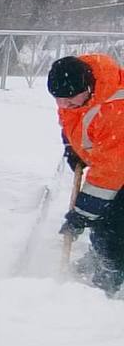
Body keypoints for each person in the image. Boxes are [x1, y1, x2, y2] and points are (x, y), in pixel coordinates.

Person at [48, 54, 124, 292]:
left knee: (112, 225)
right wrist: (72, 145)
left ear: (89, 89)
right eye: (59, 101)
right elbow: (71, 118)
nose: (64, 106)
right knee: (104, 218)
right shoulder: (73, 82)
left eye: (69, 101)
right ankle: (98, 257)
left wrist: (81, 215)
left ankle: (108, 281)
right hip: (113, 162)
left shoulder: (115, 109)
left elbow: (109, 174)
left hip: (117, 167)